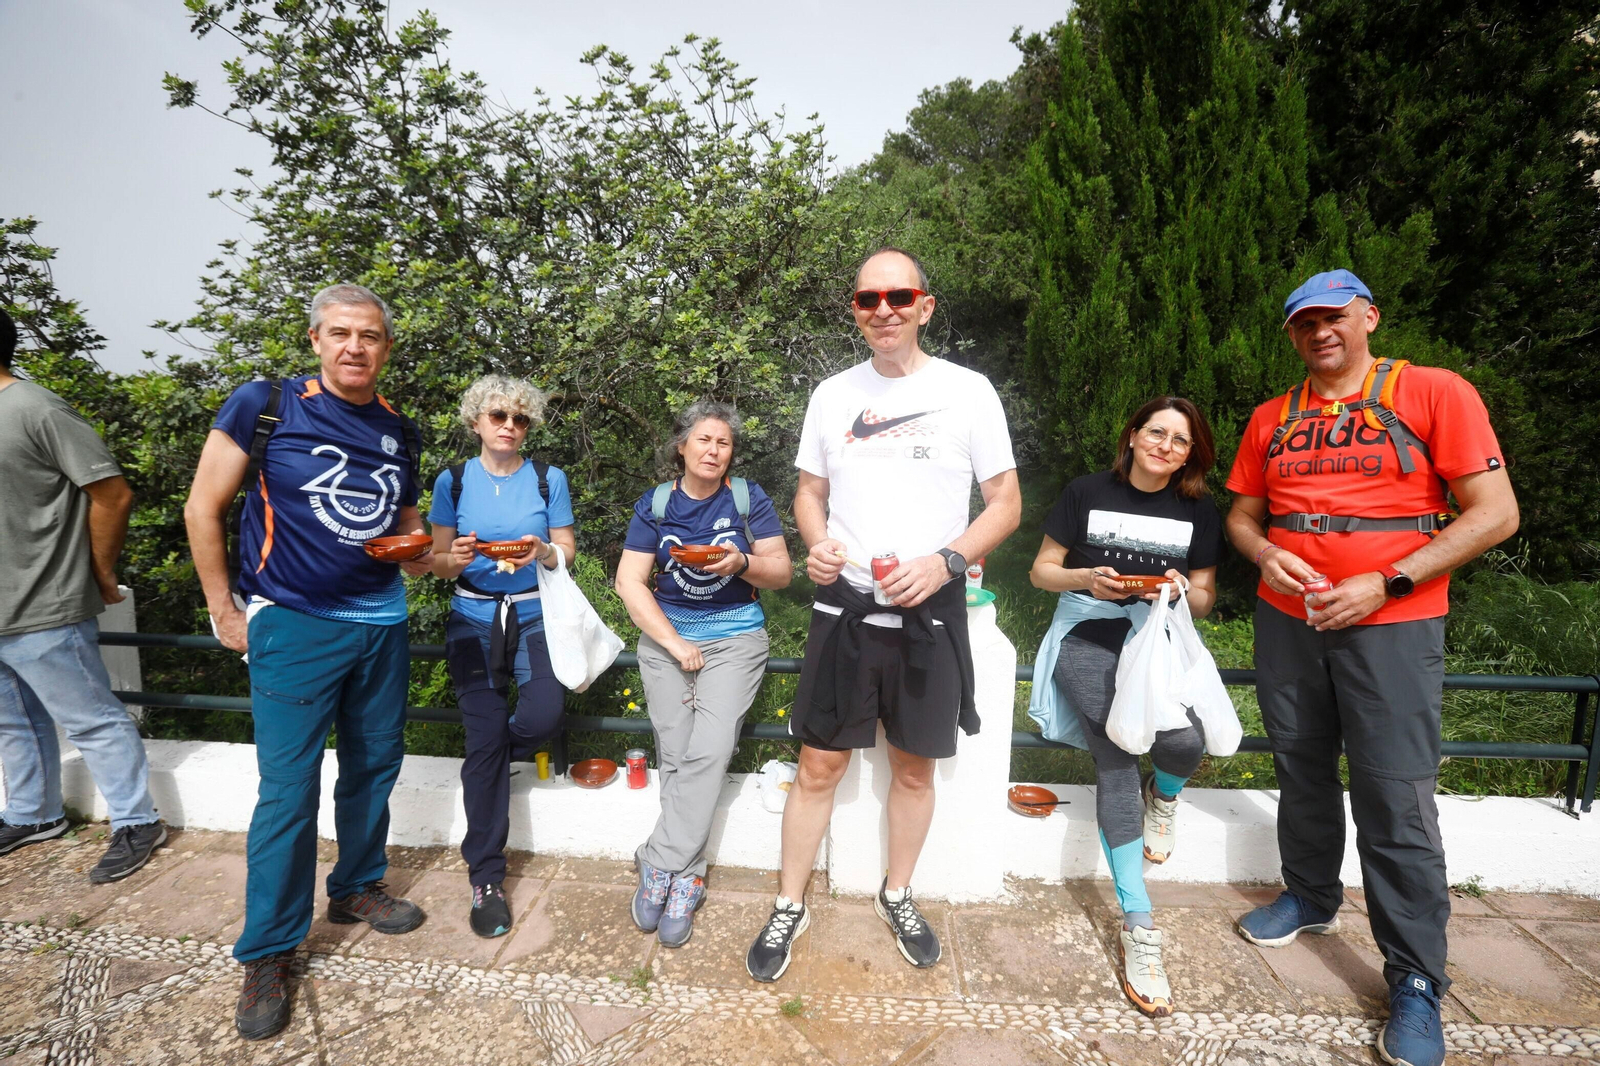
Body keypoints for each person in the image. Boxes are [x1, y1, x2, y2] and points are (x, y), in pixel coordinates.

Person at [1225, 270, 1519, 1066]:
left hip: (1392, 624)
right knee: (1301, 768)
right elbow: (1243, 517)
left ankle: (1416, 978)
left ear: (1369, 319)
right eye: (1303, 322)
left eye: (1334, 316)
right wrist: (1264, 553)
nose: (1319, 331)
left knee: (1394, 795)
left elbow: (1496, 513)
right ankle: (1310, 895)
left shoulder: (1434, 392)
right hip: (1289, 621)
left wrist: (1387, 581)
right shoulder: (1272, 417)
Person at [745, 247, 1021, 983]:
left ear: (925, 306)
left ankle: (897, 894)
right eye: (869, 299)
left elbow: (1006, 504)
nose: (884, 310)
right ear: (856, 312)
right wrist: (816, 543)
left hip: (932, 605)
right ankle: (788, 903)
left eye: (899, 296)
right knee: (818, 763)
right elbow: (809, 493)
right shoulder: (833, 394)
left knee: (914, 767)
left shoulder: (969, 391)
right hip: (845, 604)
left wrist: (946, 562)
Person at [184, 284, 434, 1041]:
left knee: (374, 766)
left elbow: (408, 529)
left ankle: (357, 885)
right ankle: (268, 951)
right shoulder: (265, 405)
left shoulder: (399, 427)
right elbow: (202, 507)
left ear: (386, 348)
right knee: (288, 791)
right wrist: (225, 609)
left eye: (370, 336)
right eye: (341, 334)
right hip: (293, 624)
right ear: (316, 340)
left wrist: (437, 553)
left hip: (382, 623)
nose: (355, 347)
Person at [1026, 396, 1225, 1016]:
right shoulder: (1086, 491)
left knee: (1185, 741)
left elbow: (1206, 598)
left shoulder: (1198, 511)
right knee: (1115, 757)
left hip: (1156, 642)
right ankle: (1139, 926)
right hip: (1085, 637)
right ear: (1134, 435)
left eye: (1180, 440)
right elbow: (1041, 571)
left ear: (1189, 456)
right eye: (1157, 432)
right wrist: (1086, 579)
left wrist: (1183, 589)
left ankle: (1163, 797)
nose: (1166, 446)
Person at [615, 401, 792, 948]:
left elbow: (782, 571)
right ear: (682, 447)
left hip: (736, 638)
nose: (714, 451)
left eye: (724, 443)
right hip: (667, 639)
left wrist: (743, 563)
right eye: (703, 440)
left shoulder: (747, 499)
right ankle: (686, 877)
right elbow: (629, 581)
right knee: (675, 752)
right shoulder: (656, 504)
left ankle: (658, 860)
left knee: (709, 750)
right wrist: (674, 644)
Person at [0, 308, 167, 881]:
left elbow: (113, 494)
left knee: (92, 720)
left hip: (45, 603)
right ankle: (33, 815)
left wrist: (98, 569)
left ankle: (138, 821)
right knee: (12, 722)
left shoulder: (36, 408)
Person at [428, 374, 576, 939]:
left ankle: (489, 756)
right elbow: (437, 562)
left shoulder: (547, 478)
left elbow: (567, 551)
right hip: (471, 620)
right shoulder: (453, 480)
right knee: (483, 737)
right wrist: (457, 557)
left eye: (520, 418)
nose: (510, 426)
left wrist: (544, 551)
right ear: (477, 423)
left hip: (535, 614)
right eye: (498, 416)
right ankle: (486, 879)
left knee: (543, 716)